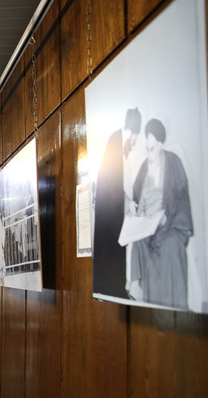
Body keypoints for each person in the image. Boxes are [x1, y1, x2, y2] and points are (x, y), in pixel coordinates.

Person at [129, 118, 194, 309]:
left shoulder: (174, 163)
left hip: (169, 226)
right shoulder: (144, 167)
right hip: (148, 230)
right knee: (138, 244)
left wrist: (167, 219)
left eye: (153, 149)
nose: (150, 155)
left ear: (161, 144)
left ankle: (173, 307)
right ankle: (141, 301)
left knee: (172, 247)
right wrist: (134, 209)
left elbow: (182, 198)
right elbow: (136, 198)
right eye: (147, 150)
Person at [93, 108, 144, 298]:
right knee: (114, 246)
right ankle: (112, 287)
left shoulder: (120, 142)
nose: (134, 140)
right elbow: (115, 182)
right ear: (130, 129)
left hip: (113, 208)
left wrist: (129, 200)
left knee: (117, 246)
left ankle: (115, 286)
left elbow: (121, 183)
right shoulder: (117, 140)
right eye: (135, 135)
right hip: (110, 211)